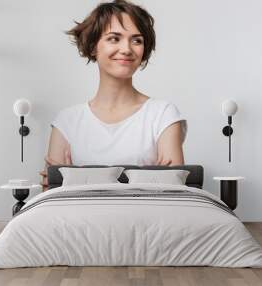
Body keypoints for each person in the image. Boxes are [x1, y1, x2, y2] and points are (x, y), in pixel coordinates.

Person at [40, 0, 187, 191]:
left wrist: (79, 180)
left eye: (137, 40)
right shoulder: (67, 121)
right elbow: (51, 195)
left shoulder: (163, 114)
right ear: (93, 46)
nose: (127, 49)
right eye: (114, 38)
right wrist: (148, 180)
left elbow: (174, 192)